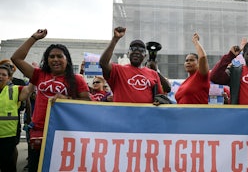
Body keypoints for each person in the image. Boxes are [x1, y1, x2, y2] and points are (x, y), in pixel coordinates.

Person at [11, 29, 91, 172]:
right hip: (39, 131)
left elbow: (89, 103)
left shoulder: (76, 79)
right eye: (51, 56)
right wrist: (34, 38)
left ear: (67, 59)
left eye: (60, 56)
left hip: (64, 132)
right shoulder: (39, 75)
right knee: (36, 167)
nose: (55, 59)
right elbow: (16, 59)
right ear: (46, 60)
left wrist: (67, 99)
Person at [99, 27, 163, 103]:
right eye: (133, 49)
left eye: (141, 50)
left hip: (146, 114)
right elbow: (103, 63)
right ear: (128, 54)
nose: (137, 52)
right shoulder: (118, 70)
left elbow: (159, 97)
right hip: (122, 114)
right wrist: (115, 39)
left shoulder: (153, 74)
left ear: (145, 56)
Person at [0, 64, 33, 172]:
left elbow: (29, 90)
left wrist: (36, 75)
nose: (0, 76)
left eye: (3, 75)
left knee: (8, 167)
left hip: (7, 137)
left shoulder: (14, 90)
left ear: (9, 78)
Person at [175, 33, 210, 104]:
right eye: (186, 60)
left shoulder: (201, 76)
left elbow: (203, 57)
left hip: (197, 114)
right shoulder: (185, 83)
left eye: (192, 60)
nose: (188, 62)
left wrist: (195, 42)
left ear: (198, 63)